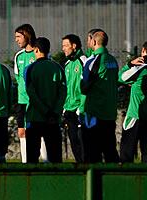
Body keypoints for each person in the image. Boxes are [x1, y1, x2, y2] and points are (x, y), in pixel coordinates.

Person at [118, 41, 147, 163]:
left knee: (127, 150)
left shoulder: (141, 68)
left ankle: (126, 178)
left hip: (136, 115)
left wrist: (130, 64)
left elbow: (120, 77)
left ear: (143, 51)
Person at [24, 37, 66, 163]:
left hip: (35, 117)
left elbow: (31, 93)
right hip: (53, 119)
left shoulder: (30, 69)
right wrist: (55, 112)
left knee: (32, 158)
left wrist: (45, 111)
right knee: (55, 157)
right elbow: (63, 93)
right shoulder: (57, 68)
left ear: (36, 49)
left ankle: (32, 182)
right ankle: (56, 182)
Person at [80, 29, 120, 163]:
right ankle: (114, 181)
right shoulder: (113, 60)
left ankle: (92, 183)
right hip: (109, 112)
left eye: (88, 39)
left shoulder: (93, 60)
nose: (87, 42)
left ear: (94, 41)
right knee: (109, 151)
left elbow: (84, 87)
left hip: (94, 113)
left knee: (92, 153)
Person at [13, 24, 47, 163]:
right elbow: (17, 77)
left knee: (41, 132)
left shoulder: (38, 52)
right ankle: (25, 163)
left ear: (27, 35)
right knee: (22, 132)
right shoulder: (18, 56)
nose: (16, 40)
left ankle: (46, 161)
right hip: (23, 101)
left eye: (18, 36)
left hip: (37, 101)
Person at [60, 34, 86, 163]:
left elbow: (86, 87)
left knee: (83, 143)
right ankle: (80, 170)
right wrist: (64, 107)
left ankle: (87, 170)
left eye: (65, 45)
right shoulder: (67, 64)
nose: (63, 48)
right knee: (74, 142)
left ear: (74, 46)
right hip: (69, 110)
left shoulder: (83, 61)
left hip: (80, 110)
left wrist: (81, 108)